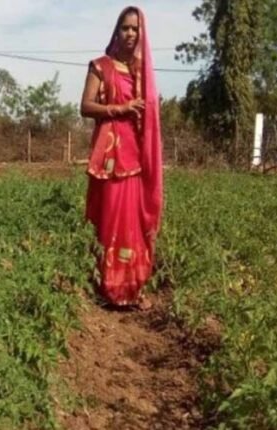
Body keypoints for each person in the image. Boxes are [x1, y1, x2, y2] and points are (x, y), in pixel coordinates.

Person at [80, 6, 163, 309]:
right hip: (110, 157)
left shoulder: (143, 72)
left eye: (135, 29)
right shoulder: (101, 67)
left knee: (133, 223)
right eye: (125, 28)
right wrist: (120, 109)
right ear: (116, 31)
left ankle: (132, 287)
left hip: (136, 157)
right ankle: (107, 287)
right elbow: (85, 106)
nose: (130, 33)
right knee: (109, 218)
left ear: (142, 34)